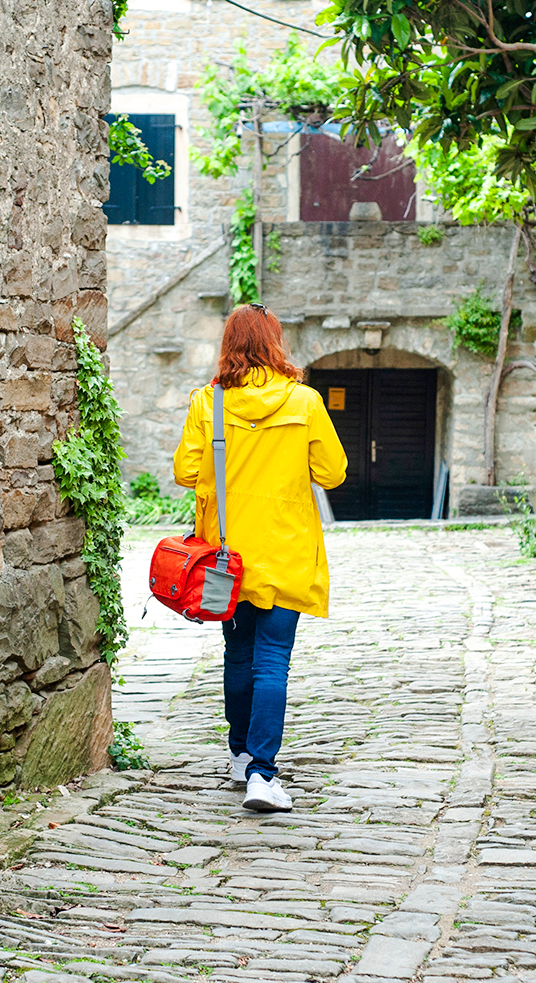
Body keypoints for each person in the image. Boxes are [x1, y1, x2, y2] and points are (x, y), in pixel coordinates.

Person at [172, 303, 347, 812]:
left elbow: (186, 472)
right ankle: (262, 775)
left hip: (227, 558)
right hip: (287, 553)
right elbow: (332, 473)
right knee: (273, 661)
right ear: (276, 343)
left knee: (238, 655)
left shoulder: (209, 403)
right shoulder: (306, 403)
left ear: (229, 345)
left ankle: (240, 753)